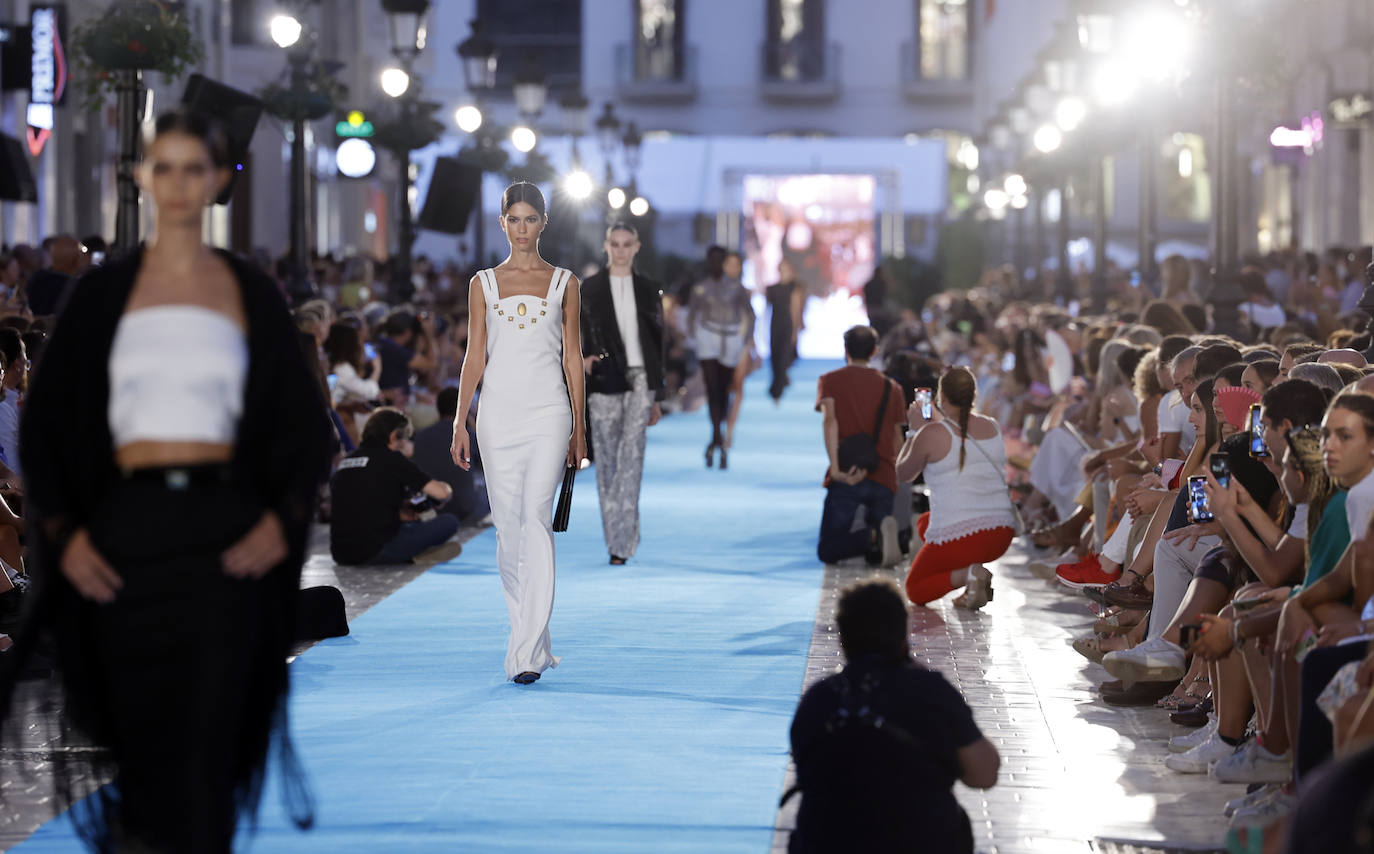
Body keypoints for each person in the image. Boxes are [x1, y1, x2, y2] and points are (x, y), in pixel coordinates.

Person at [0, 109, 331, 852]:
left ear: (215, 182)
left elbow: (299, 420)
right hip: (125, 530)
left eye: (195, 169)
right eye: (165, 168)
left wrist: (278, 522)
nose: (179, 184)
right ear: (144, 178)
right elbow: (50, 423)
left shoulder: (245, 291)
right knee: (139, 725)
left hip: (222, 529)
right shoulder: (104, 293)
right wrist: (63, 533)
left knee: (214, 732)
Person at [450, 181, 587, 685]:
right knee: (508, 532)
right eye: (515, 219)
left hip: (549, 412)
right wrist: (460, 419)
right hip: (497, 416)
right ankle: (533, 637)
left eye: (532, 219)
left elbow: (572, 357)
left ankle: (526, 652)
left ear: (544, 223)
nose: (523, 228)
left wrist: (580, 426)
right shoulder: (481, 283)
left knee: (535, 520)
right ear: (502, 222)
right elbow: (474, 355)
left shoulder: (565, 282)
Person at [787, 578, 999, 854]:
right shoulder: (931, 693)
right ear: (903, 637)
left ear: (843, 638)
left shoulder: (818, 699)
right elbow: (984, 775)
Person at [580, 222, 667, 565]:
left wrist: (657, 394)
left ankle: (620, 545)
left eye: (626, 243)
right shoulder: (588, 288)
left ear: (636, 246)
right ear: (606, 246)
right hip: (604, 377)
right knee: (608, 461)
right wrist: (582, 356)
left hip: (641, 378)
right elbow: (574, 328)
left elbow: (658, 341)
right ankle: (619, 533)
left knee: (631, 458)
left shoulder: (649, 289)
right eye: (614, 243)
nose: (619, 249)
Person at [897, 365, 1017, 610]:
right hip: (1002, 533)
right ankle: (970, 583)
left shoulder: (929, 434)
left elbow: (903, 474)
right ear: (974, 396)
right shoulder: (991, 426)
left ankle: (968, 575)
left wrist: (914, 431)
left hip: (965, 537)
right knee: (924, 524)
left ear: (941, 398)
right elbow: (957, 433)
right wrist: (930, 426)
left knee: (915, 588)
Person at [815, 325, 905, 567]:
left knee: (828, 550)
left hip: (846, 474)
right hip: (883, 476)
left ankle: (871, 536)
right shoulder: (892, 387)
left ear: (846, 350)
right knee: (876, 555)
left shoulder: (830, 381)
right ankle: (883, 535)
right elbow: (898, 437)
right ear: (874, 351)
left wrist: (836, 470)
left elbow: (830, 421)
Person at [329, 407, 460, 564]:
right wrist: (447, 488)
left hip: (341, 553)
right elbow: (441, 494)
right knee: (449, 521)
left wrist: (401, 513)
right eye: (405, 437)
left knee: (404, 524)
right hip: (377, 549)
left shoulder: (346, 461)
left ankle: (410, 552)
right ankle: (412, 555)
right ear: (393, 436)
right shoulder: (393, 460)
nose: (406, 443)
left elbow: (360, 506)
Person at [688, 245, 753, 469]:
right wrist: (693, 336)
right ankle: (717, 434)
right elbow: (692, 313)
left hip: (731, 338)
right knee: (712, 386)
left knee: (723, 388)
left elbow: (750, 314)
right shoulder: (700, 287)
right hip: (708, 337)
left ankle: (717, 435)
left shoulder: (737, 288)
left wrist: (745, 340)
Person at [412, 388, 485, 523]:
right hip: (464, 510)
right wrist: (473, 428)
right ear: (465, 408)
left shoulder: (420, 436)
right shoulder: (469, 435)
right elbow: (486, 466)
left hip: (431, 509)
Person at [767, 258, 805, 403]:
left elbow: (795, 309)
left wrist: (795, 330)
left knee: (784, 355)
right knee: (775, 356)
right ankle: (779, 384)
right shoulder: (771, 288)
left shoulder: (795, 288)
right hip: (775, 324)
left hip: (787, 325)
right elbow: (767, 310)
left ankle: (777, 390)